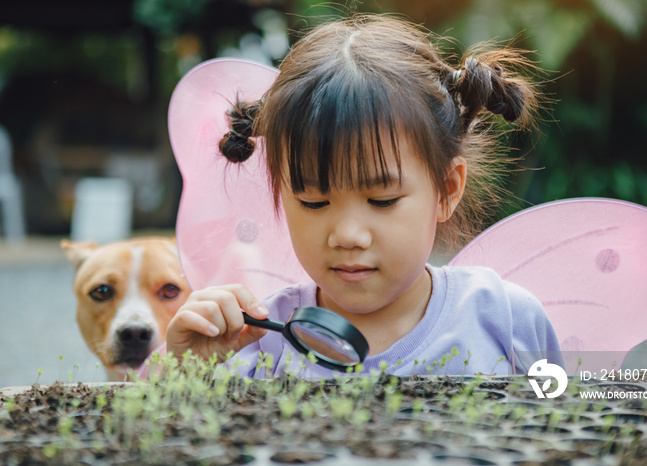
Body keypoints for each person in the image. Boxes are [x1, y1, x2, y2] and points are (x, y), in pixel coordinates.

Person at [165, 14, 562, 378]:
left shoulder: (504, 321)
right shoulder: (256, 339)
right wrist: (186, 375)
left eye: (383, 200)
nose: (348, 235)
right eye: (314, 202)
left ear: (447, 189)